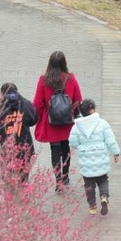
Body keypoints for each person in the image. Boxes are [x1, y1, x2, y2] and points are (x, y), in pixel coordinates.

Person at [32, 51, 83, 192]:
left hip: (51, 122)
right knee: (66, 149)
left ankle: (58, 181)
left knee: (55, 151)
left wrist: (40, 116)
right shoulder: (70, 78)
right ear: (64, 63)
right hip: (67, 121)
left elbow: (37, 103)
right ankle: (66, 176)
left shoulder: (44, 80)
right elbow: (78, 99)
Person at [69, 98, 120, 216]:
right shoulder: (102, 123)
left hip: (86, 160)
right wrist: (116, 153)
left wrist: (82, 146)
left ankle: (92, 206)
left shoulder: (77, 126)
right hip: (101, 157)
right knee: (103, 180)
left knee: (89, 184)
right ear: (93, 110)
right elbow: (110, 140)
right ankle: (104, 196)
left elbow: (73, 143)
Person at [0, 81, 38, 183]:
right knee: (23, 179)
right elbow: (33, 119)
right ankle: (23, 196)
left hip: (5, 148)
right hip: (25, 147)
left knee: (8, 178)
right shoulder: (25, 104)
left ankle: (11, 196)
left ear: (2, 93)